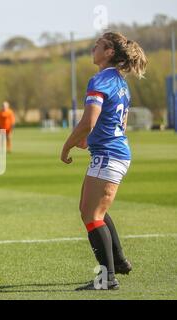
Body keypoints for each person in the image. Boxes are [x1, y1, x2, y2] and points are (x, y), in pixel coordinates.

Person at [60, 32, 147, 290]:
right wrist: (91, 138)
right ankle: (118, 261)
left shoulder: (99, 79)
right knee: (93, 210)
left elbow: (88, 121)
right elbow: (121, 121)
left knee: (91, 213)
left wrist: (67, 146)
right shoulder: (119, 81)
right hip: (113, 151)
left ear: (109, 52)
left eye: (98, 45)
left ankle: (107, 278)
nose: (93, 48)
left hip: (109, 154)